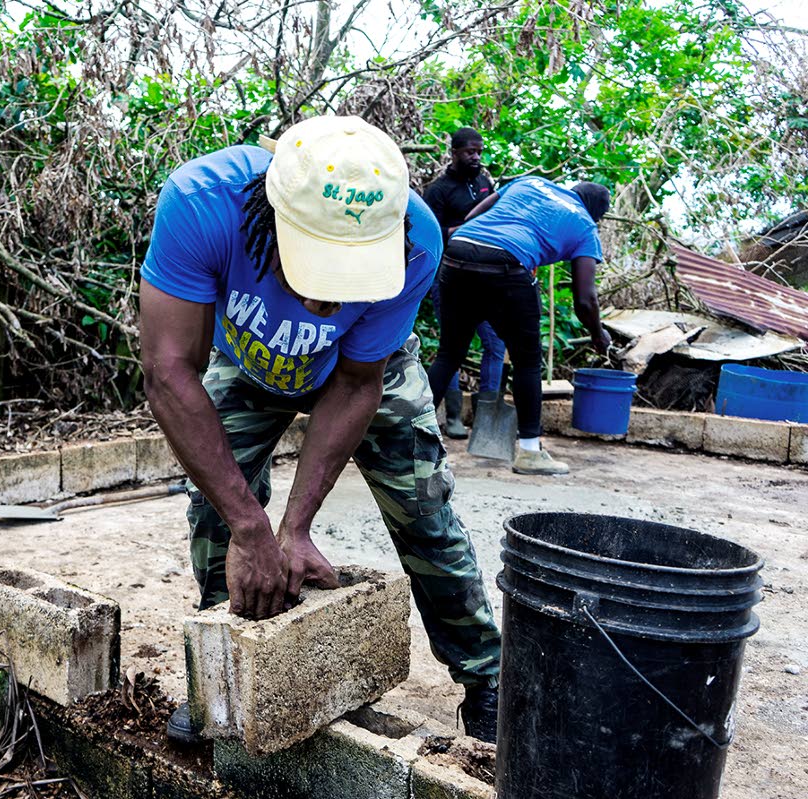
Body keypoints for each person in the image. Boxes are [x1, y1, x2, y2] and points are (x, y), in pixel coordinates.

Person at [139, 116, 502, 745]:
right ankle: (223, 670)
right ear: (273, 216)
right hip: (249, 361)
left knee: (425, 512)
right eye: (314, 271)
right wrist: (254, 528)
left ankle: (487, 678)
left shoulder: (416, 239)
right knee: (217, 511)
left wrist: (297, 528)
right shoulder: (203, 204)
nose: (323, 307)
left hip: (368, 370)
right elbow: (169, 371)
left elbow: (359, 383)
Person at [426, 176, 612, 476]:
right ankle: (529, 452)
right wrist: (597, 334)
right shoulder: (584, 225)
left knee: (449, 354)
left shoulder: (531, 183)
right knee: (526, 363)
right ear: (596, 214)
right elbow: (585, 300)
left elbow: (474, 215)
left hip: (459, 251)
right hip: (506, 267)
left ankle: (407, 442)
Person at [422, 127, 506, 439]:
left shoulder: (484, 183)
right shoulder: (439, 190)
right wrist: (462, 230)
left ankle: (487, 416)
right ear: (454, 152)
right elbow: (428, 233)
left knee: (496, 343)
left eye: (479, 152)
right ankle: (453, 417)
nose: (476, 157)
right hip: (450, 277)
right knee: (453, 348)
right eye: (469, 152)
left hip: (485, 276)